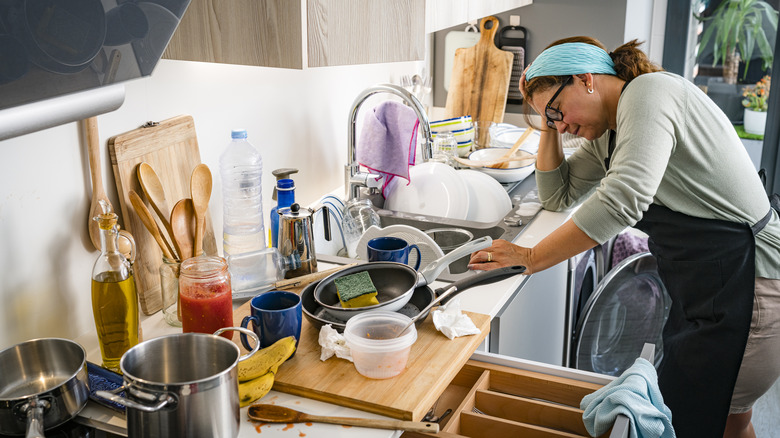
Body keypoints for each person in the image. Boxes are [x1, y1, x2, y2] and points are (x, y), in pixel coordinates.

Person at [468, 36, 780, 438]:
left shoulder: (650, 93)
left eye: (558, 111)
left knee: (723, 423)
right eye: (551, 119)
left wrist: (529, 257)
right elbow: (557, 194)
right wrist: (548, 117)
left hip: (753, 285)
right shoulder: (610, 134)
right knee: (719, 420)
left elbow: (623, 200)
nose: (560, 125)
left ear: (586, 79)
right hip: (712, 287)